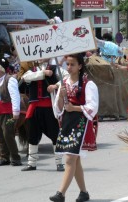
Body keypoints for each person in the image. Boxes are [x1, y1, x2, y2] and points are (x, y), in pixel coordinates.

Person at [49, 53, 99, 202]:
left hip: (81, 123)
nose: (69, 67)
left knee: (70, 158)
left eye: (72, 64)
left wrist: (74, 108)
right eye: (67, 64)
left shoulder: (88, 84)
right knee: (75, 160)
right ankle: (83, 192)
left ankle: (61, 194)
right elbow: (58, 110)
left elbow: (92, 107)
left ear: (80, 66)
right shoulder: (63, 84)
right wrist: (61, 96)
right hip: (66, 123)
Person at [21, 58, 65, 172]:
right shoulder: (32, 70)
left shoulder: (56, 69)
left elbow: (67, 78)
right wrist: (43, 73)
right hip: (35, 108)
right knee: (32, 136)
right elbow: (25, 78)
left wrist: (55, 86)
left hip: (49, 108)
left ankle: (59, 163)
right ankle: (32, 163)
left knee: (55, 135)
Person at [0, 57, 22, 166]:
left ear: (2, 68)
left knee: (7, 134)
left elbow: (15, 96)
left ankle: (15, 158)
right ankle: (4, 157)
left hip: (7, 111)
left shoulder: (10, 79)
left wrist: (16, 111)